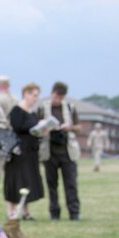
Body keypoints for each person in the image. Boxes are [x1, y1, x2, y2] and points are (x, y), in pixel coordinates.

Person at [38, 81, 81, 220]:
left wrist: (69, 127)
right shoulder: (43, 108)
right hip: (49, 152)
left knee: (71, 184)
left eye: (60, 96)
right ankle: (54, 213)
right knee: (52, 185)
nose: (58, 98)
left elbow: (79, 127)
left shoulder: (70, 107)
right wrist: (44, 129)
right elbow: (36, 127)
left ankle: (74, 213)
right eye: (56, 95)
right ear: (52, 92)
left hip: (67, 152)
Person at [3, 82, 44, 219]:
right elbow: (17, 127)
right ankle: (11, 212)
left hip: (30, 152)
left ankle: (26, 212)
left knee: (27, 181)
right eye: (34, 95)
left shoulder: (33, 112)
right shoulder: (17, 110)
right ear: (26, 94)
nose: (36, 98)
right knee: (15, 180)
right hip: (18, 152)